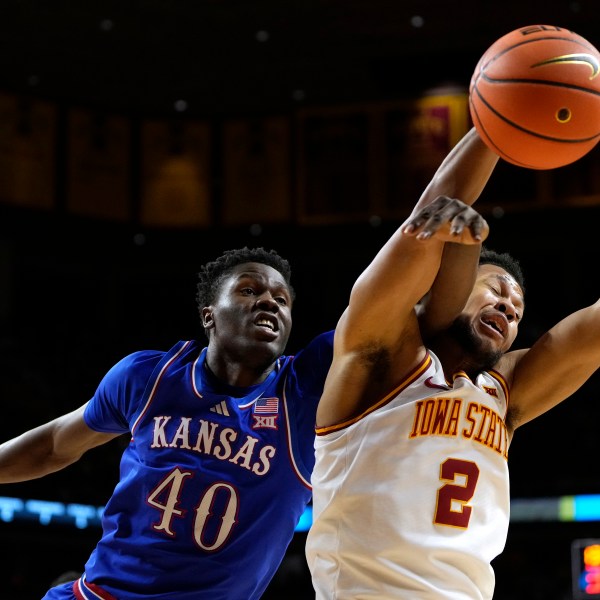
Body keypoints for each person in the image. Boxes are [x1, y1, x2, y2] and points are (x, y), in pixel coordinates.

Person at [0, 126, 496, 599]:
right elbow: (52, 446)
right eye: (250, 290)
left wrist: (491, 136)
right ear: (208, 314)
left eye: (282, 299)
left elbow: (427, 288)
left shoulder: (307, 387)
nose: (270, 303)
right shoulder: (148, 377)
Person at [305, 132, 600, 598]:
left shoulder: (504, 395)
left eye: (518, 310)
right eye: (497, 290)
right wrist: (496, 126)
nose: (509, 308)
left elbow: (590, 337)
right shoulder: (376, 357)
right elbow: (431, 218)